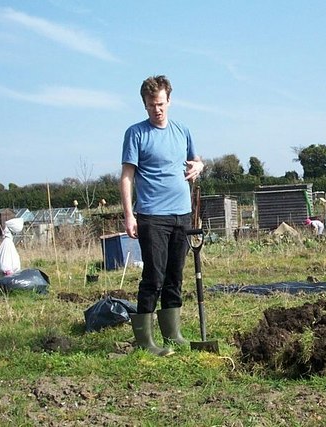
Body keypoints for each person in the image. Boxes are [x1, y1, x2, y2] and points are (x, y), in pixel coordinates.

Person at [120, 75, 204, 356]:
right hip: (151, 215)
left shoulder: (182, 131)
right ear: (144, 104)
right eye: (150, 105)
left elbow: (196, 159)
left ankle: (173, 335)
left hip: (181, 214)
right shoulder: (136, 133)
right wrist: (129, 215)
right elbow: (127, 177)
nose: (156, 109)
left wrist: (199, 166)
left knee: (174, 276)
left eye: (160, 104)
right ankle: (145, 342)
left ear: (169, 101)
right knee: (153, 276)